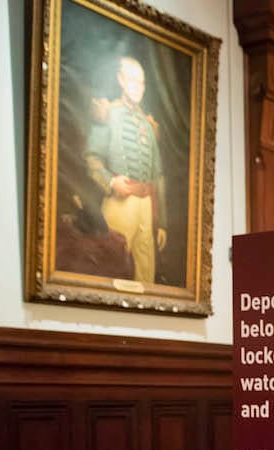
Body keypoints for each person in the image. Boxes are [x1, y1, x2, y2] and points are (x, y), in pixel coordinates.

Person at [85, 56, 167, 283]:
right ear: (121, 80)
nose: (137, 87)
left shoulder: (149, 126)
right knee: (113, 267)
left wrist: (161, 223)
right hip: (120, 202)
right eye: (132, 80)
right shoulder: (108, 114)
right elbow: (92, 159)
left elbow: (157, 176)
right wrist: (111, 183)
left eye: (141, 83)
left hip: (146, 206)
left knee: (145, 272)